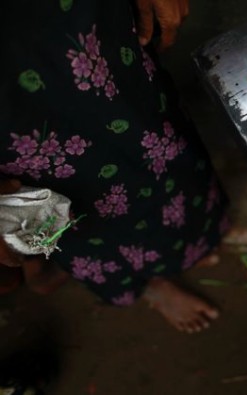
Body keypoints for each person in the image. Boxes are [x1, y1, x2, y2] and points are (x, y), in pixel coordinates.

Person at [0, 0, 229, 333]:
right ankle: (144, 284)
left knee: (158, 148)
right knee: (63, 216)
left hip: (77, 25)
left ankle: (185, 248)